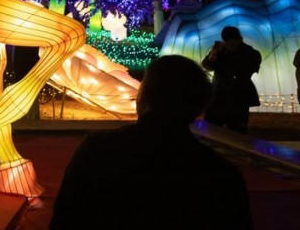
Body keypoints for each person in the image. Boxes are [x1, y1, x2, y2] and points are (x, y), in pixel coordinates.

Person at [50, 55, 252, 230]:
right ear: (200, 106)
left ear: (143, 96)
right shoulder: (221, 174)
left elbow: (65, 218)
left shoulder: (97, 151)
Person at [202, 25, 261, 133]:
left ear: (239, 40)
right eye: (227, 42)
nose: (229, 45)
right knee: (211, 129)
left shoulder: (251, 53)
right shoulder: (220, 50)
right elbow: (206, 66)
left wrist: (226, 56)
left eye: (232, 42)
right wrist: (211, 57)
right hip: (218, 96)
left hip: (239, 97)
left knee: (237, 131)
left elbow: (244, 71)